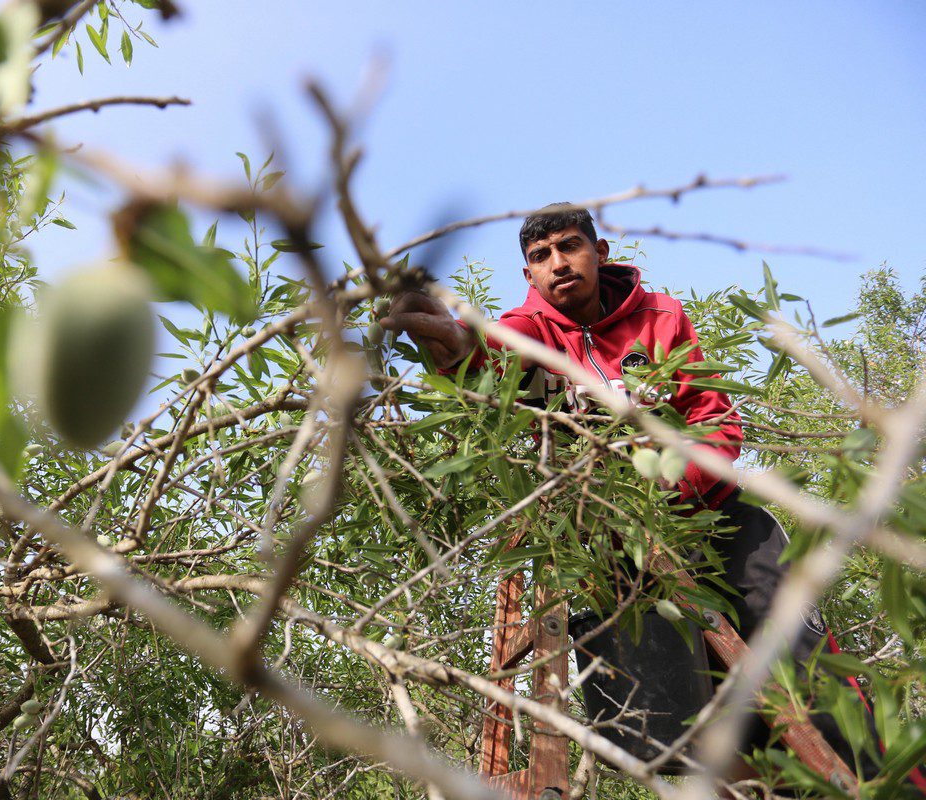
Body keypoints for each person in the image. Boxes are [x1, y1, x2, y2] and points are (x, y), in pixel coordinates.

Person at [379, 204, 922, 792]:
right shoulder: (526, 332)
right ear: (529, 275)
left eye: (570, 247)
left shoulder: (659, 317)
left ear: (600, 252)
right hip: (607, 546)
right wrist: (455, 349)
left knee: (805, 674)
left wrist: (661, 487)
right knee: (656, 730)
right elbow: (489, 368)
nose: (559, 264)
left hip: (713, 520)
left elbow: (715, 422)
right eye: (541, 257)